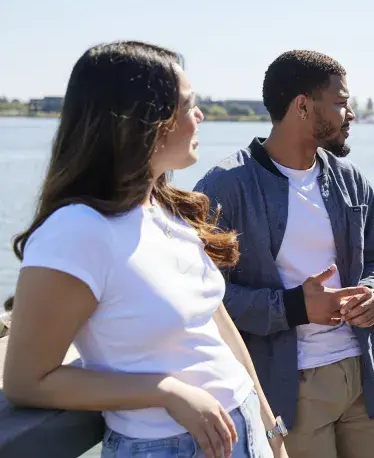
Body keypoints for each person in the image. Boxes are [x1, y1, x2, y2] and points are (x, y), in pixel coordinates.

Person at [3, 41, 288, 458]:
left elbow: (217, 327)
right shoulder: (76, 231)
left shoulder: (163, 210)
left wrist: (270, 430)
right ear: (148, 121)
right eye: (189, 105)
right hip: (168, 446)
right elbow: (27, 381)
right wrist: (166, 391)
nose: (200, 115)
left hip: (244, 432)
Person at [193, 50, 374, 458]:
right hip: (287, 389)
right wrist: (293, 308)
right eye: (340, 103)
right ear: (303, 106)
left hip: (365, 379)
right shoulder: (225, 187)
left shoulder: (351, 179)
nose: (351, 114)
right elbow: (201, 299)